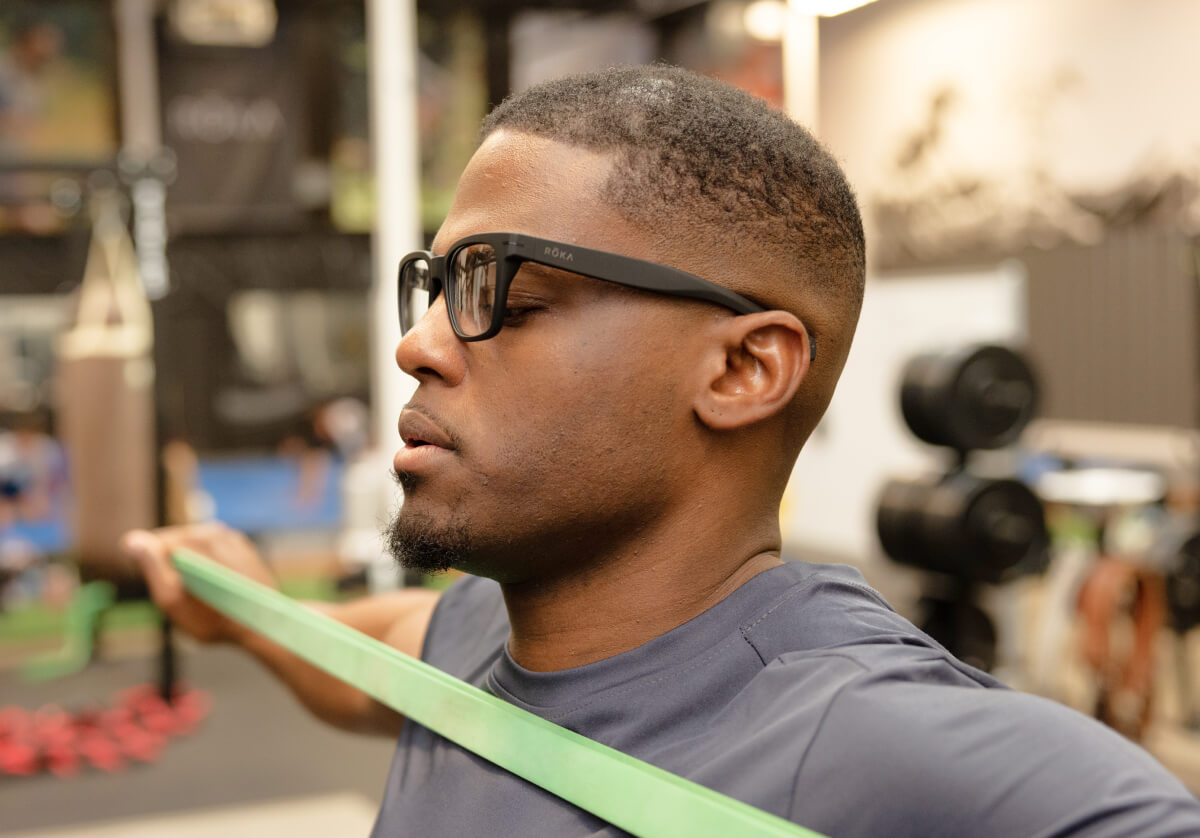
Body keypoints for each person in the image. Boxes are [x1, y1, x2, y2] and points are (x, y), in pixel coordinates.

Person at [123, 66, 1200, 837]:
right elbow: (372, 660)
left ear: (742, 371)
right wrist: (250, 614)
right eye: (436, 289)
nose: (417, 344)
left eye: (504, 293)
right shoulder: (481, 642)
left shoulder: (869, 740)